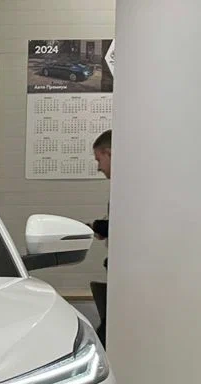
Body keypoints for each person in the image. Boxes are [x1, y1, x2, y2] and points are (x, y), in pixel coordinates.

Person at [89, 129, 111, 345]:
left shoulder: (132, 189)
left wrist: (97, 226)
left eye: (99, 160)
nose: (98, 167)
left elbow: (125, 227)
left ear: (109, 153)